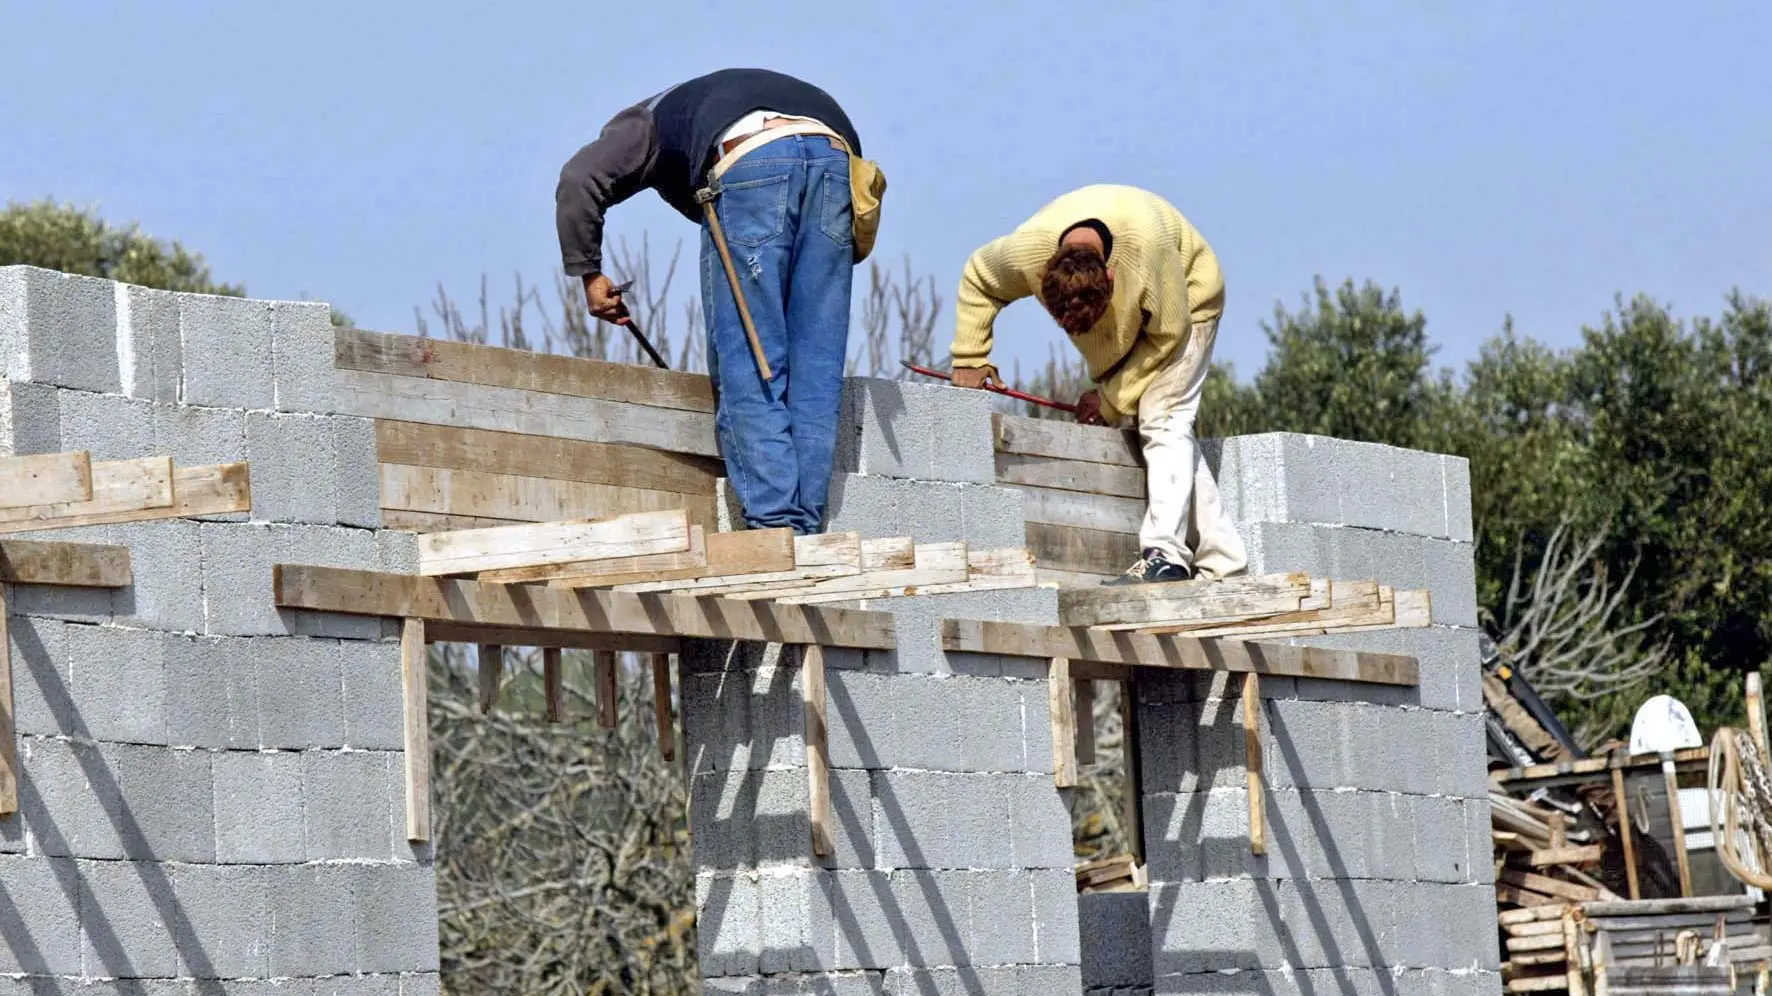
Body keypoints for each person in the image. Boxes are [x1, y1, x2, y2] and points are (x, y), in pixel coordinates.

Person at [555, 68, 864, 535]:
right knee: (815, 366)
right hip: (837, 160)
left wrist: (589, 273)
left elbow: (579, 179)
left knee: (752, 356)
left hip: (750, 159)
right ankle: (805, 526)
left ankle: (774, 524)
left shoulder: (642, 124)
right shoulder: (707, 111)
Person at [947, 184, 1247, 585]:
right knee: (1160, 430)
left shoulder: (1146, 250)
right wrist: (970, 357)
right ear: (1041, 275)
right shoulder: (1025, 254)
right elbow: (979, 276)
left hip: (1186, 308)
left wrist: (1109, 400)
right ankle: (1225, 562)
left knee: (1163, 417)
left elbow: (1169, 335)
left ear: (1110, 275)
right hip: (1141, 311)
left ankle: (1165, 555)